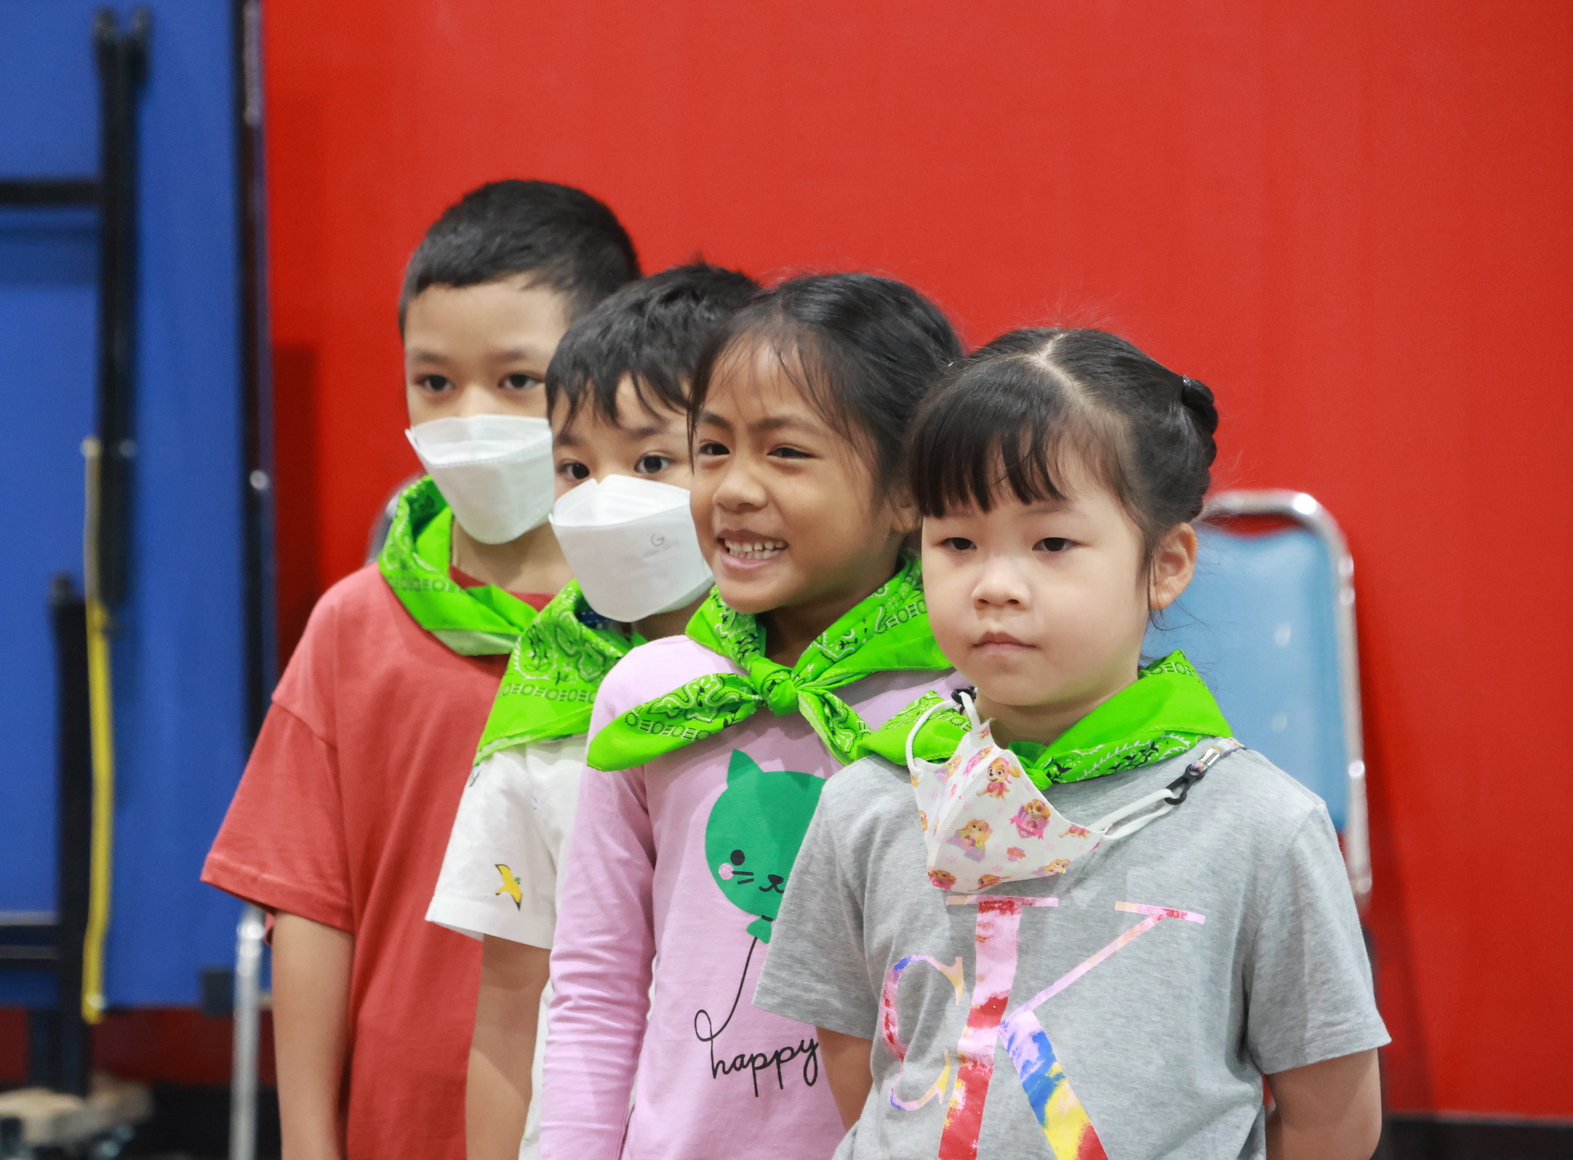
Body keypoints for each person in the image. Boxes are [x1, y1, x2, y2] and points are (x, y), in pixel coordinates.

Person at [754, 328, 1389, 1159]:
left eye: (1051, 543)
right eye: (957, 542)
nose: (995, 585)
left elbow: (1333, 1118)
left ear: (1166, 565)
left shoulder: (1261, 828)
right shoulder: (869, 798)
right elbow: (863, 1063)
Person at [201, 180, 638, 1160]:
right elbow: (310, 909)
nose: (470, 416)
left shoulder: (672, 630)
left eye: (517, 380)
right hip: (402, 1122)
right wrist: (308, 1142)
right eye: (434, 382)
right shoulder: (355, 627)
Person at [540, 274, 966, 1159]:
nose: (732, 489)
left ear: (908, 492)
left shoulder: (965, 703)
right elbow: (596, 989)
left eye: (786, 452)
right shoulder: (651, 696)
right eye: (712, 448)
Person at [424, 261, 760, 1160]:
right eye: (574, 467)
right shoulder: (541, 710)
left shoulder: (821, 699)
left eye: (651, 461)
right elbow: (510, 1003)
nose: (606, 496)